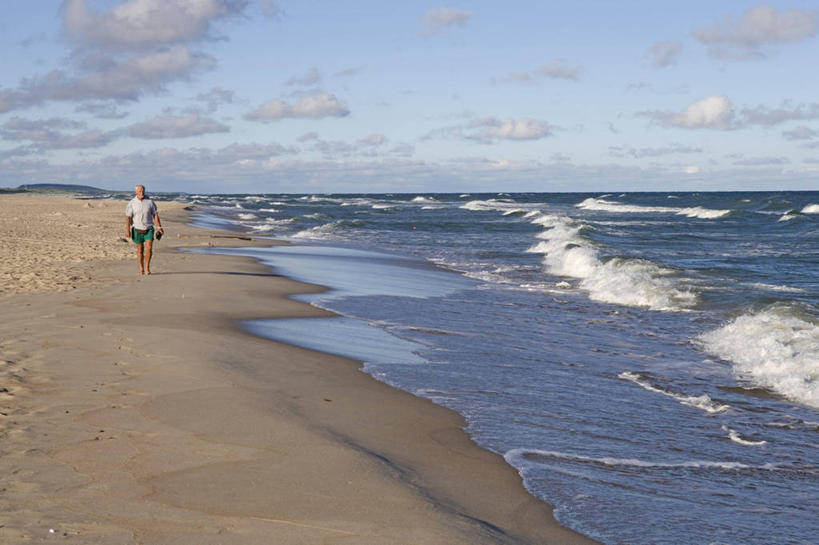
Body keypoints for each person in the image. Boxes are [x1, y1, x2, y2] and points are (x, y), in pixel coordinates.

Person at [125, 185, 164, 275]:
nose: (141, 192)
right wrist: (127, 230)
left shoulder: (150, 202)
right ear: (136, 192)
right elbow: (128, 218)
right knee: (140, 250)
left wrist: (159, 227)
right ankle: (141, 269)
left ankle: (147, 268)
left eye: (143, 191)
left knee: (149, 248)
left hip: (149, 229)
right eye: (139, 191)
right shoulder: (132, 203)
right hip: (137, 229)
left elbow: (155, 215)